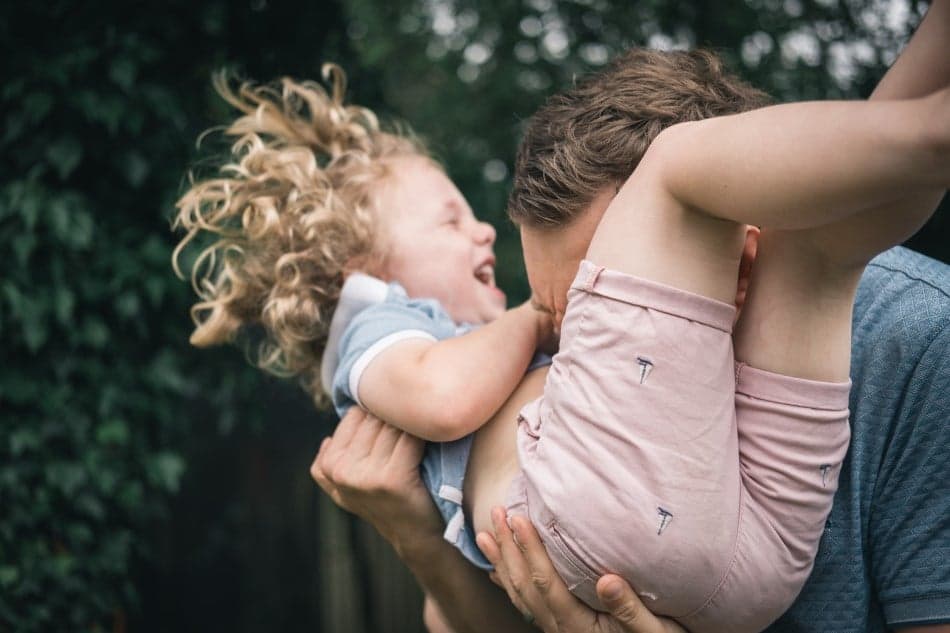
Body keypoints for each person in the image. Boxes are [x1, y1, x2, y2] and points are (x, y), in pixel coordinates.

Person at [312, 2, 950, 632]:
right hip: (734, 561)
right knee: (716, 182)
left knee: (819, 228)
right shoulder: (419, 339)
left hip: (753, 569)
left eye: (601, 298)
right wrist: (418, 536)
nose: (577, 349)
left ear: (743, 262)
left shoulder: (917, 341)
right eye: (567, 319)